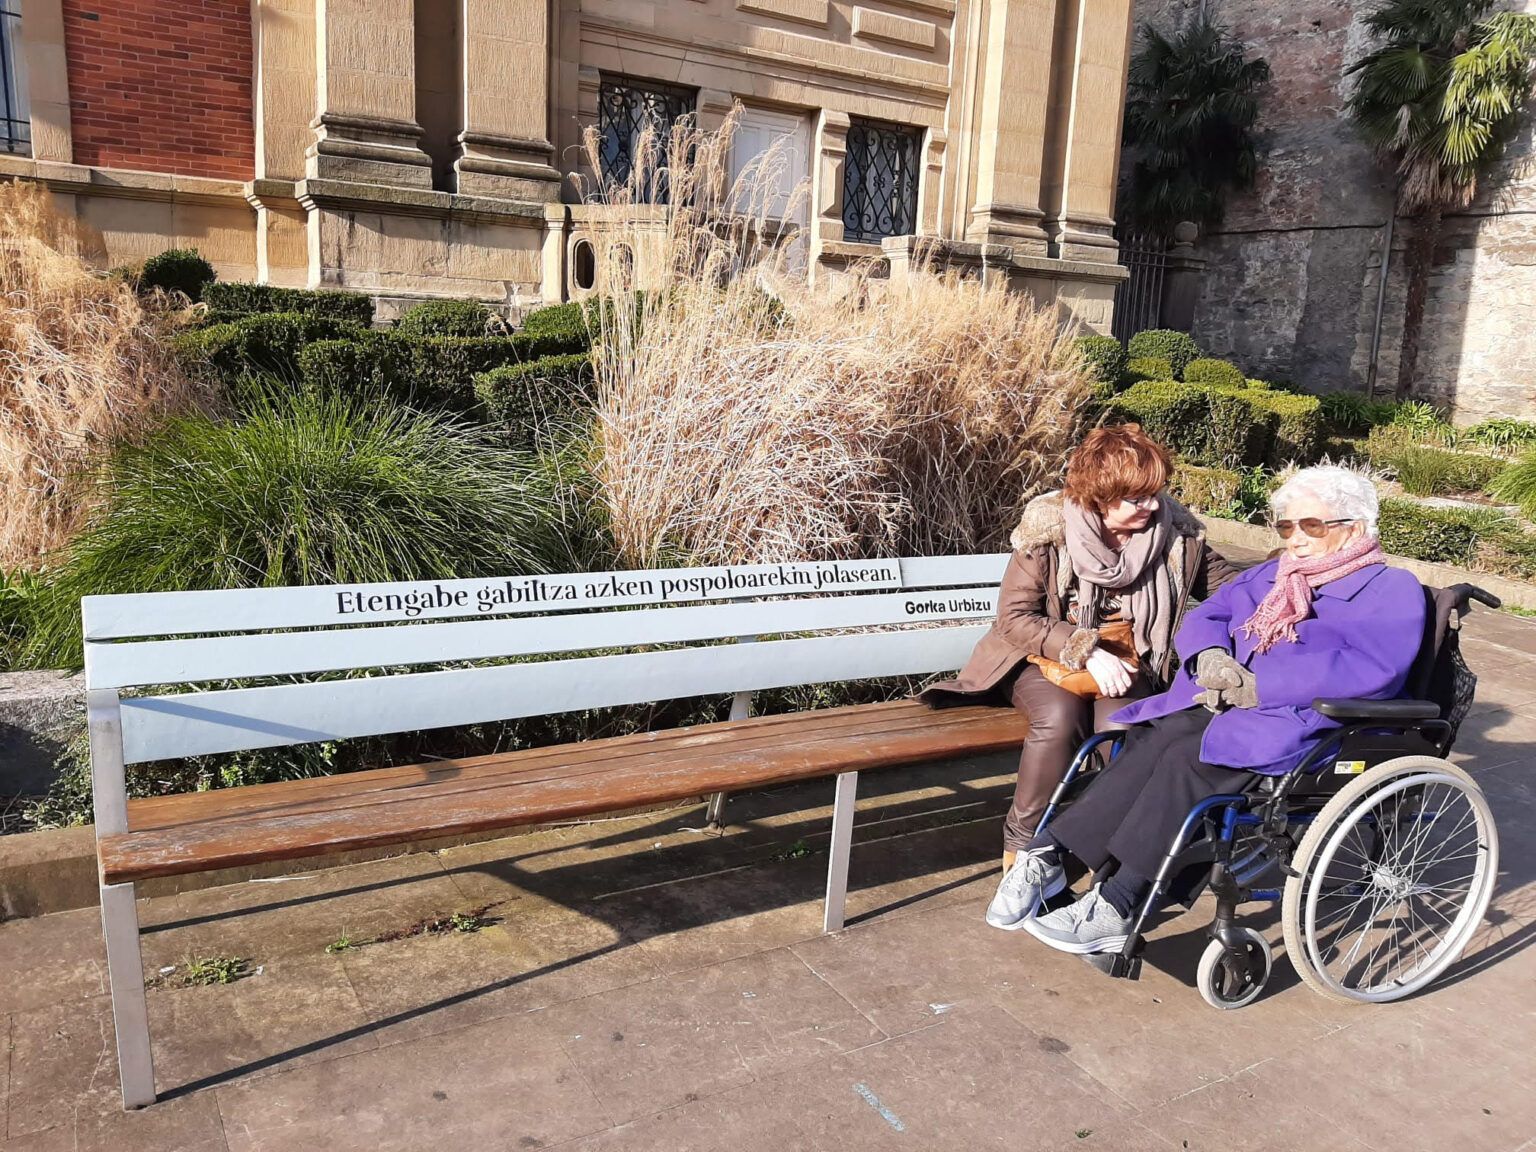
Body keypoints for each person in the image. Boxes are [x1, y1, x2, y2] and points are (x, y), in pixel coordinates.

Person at [993, 465, 1425, 955]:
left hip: (1310, 720)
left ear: (1355, 527)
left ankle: (1118, 902)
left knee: (1190, 760)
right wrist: (1210, 655)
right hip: (1232, 704)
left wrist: (1263, 686)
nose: (1296, 538)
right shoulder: (1276, 573)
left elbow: (1374, 667)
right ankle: (1053, 855)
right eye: (1286, 526)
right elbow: (1211, 612)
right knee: (1152, 737)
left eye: (1311, 525)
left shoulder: (1391, 589)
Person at [922, 424, 1239, 924]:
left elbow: (1230, 587)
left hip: (1128, 659)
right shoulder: (1049, 531)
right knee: (1059, 718)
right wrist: (1084, 649)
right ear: (1100, 495)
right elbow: (1015, 619)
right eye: (1136, 498)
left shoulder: (1175, 534)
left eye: (1155, 493)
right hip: (1038, 657)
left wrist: (1291, 587)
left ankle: (1098, 866)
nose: (1151, 506)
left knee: (1126, 732)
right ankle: (1022, 852)